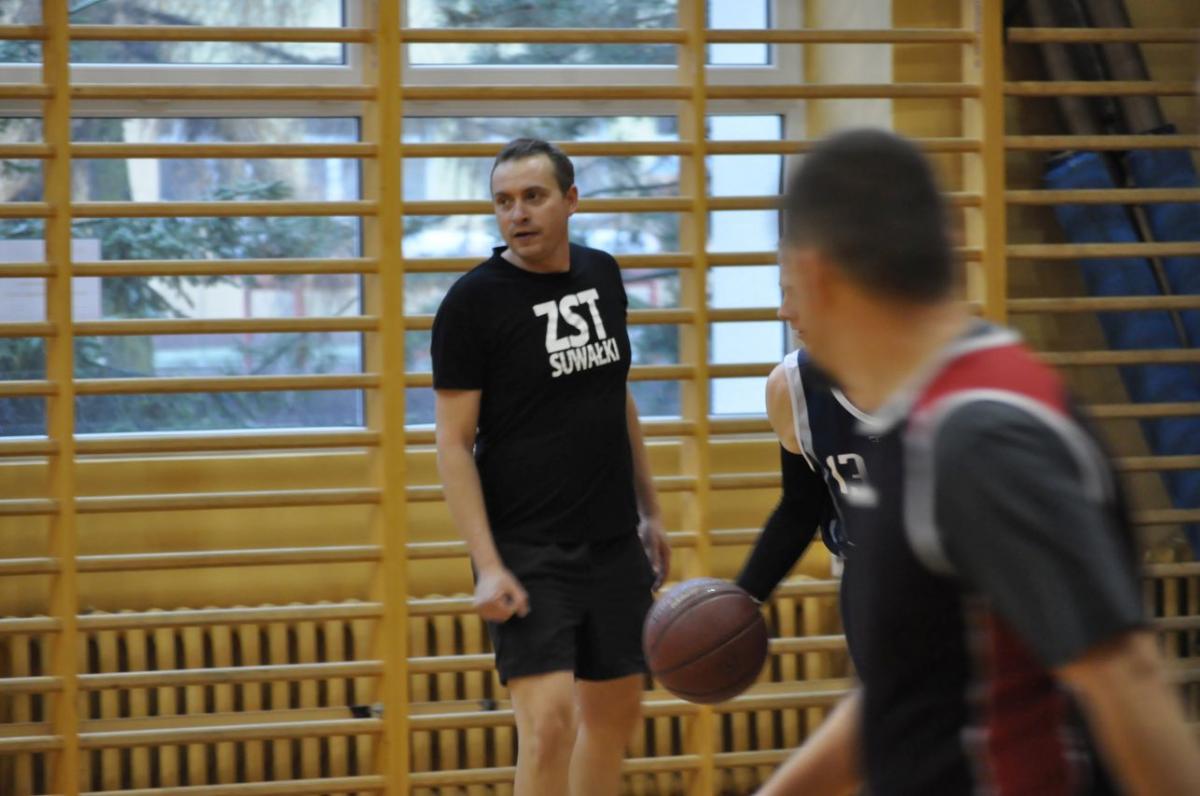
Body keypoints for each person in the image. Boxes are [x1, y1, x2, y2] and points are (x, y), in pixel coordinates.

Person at [754, 128, 1200, 795]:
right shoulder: (924, 417)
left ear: (819, 274)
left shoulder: (980, 436)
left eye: (789, 285)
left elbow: (1127, 677)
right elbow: (906, 689)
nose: (785, 309)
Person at [431, 138, 671, 796]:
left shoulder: (602, 273)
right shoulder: (472, 303)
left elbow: (615, 397)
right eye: (503, 201)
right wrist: (488, 564)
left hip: (613, 541)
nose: (517, 213)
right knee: (548, 728)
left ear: (570, 200)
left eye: (533, 197)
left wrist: (649, 512)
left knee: (614, 719)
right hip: (527, 549)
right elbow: (452, 443)